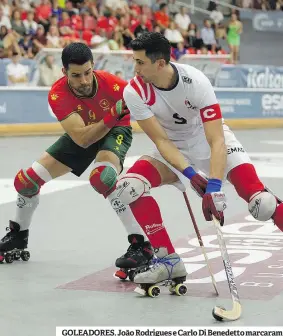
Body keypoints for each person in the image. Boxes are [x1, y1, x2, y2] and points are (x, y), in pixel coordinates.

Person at [111, 32, 283, 287]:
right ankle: (169, 262)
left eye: (140, 62)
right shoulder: (134, 91)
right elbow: (162, 142)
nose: (135, 69)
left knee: (264, 204)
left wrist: (213, 186)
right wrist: (192, 176)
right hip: (172, 149)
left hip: (210, 140)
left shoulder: (195, 81)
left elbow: (216, 140)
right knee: (127, 188)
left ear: (160, 63)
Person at [0, 42, 152, 265]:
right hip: (86, 131)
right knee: (26, 182)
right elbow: (82, 139)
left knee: (103, 178)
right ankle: (18, 235)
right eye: (76, 75)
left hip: (116, 130)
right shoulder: (57, 94)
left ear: (93, 66)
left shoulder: (115, 85)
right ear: (64, 72)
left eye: (88, 73)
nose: (84, 81)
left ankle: (142, 245)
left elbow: (152, 108)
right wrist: (112, 114)